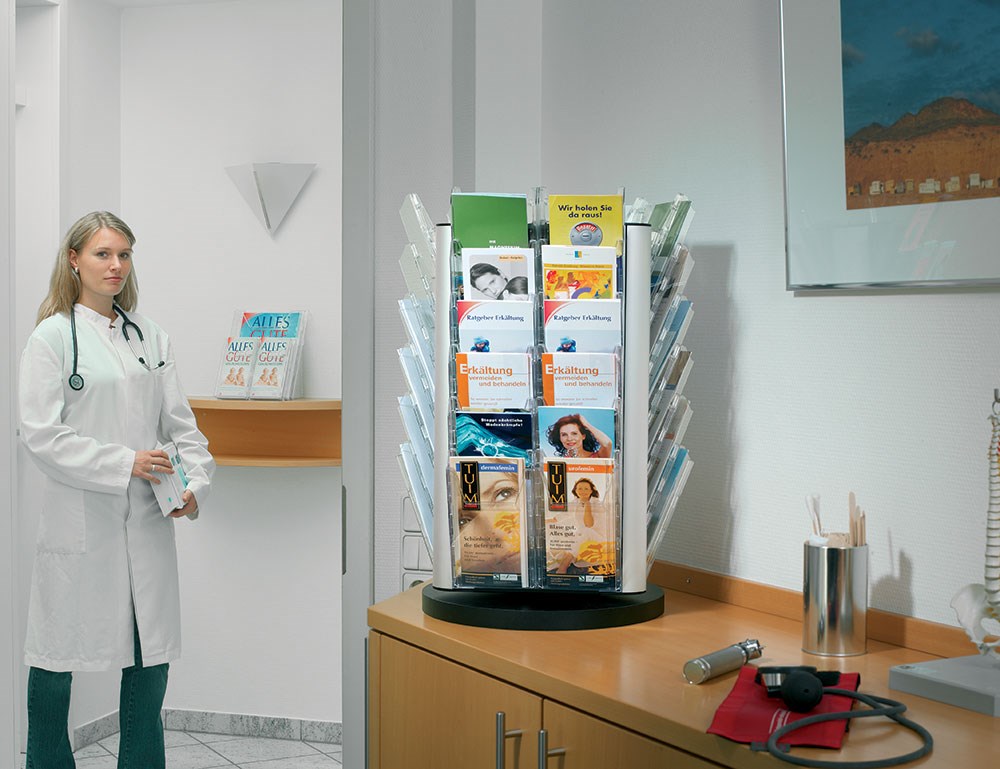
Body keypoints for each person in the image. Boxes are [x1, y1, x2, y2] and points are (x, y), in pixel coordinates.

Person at [18, 211, 215, 769]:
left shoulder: (149, 336)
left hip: (147, 521)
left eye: (124, 254)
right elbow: (41, 435)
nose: (116, 266)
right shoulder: (51, 337)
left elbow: (183, 429)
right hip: (81, 523)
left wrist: (195, 485)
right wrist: (124, 462)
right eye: (103, 254)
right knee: (54, 661)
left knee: (150, 662)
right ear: (74, 259)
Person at [545, 412, 613, 458]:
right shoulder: (561, 462)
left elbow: (607, 443)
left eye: (574, 433)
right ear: (560, 438)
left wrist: (586, 424)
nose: (569, 438)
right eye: (564, 435)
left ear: (583, 436)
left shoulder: (597, 457)